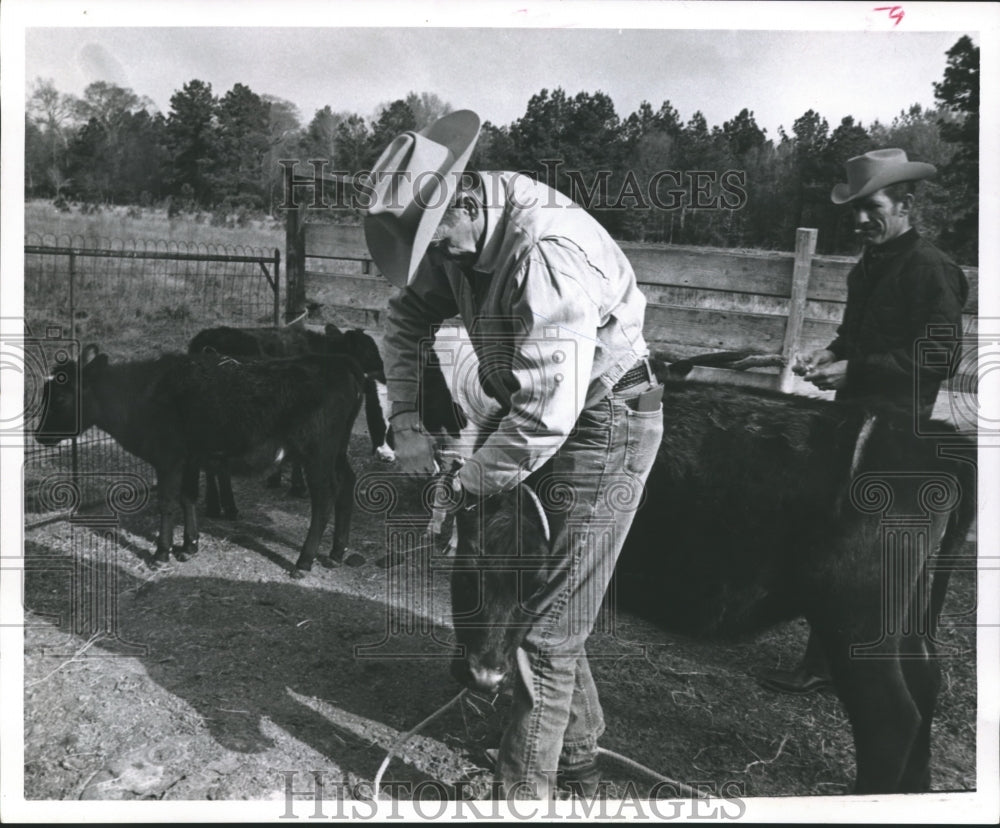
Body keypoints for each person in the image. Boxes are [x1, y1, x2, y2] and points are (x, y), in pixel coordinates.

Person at [363, 110, 664, 798]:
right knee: (548, 603)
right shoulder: (459, 238)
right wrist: (405, 417)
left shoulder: (543, 254)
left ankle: (521, 799)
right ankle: (577, 752)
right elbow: (406, 316)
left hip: (603, 420)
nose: (436, 263)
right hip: (544, 412)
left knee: (546, 635)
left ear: (464, 201)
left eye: (435, 242)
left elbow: (543, 419)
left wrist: (462, 485)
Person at [758, 148, 969, 695]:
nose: (858, 221)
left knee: (893, 557)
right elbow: (853, 337)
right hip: (853, 425)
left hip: (899, 435)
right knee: (842, 542)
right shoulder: (868, 267)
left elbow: (938, 358)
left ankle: (908, 675)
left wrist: (859, 371)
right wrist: (829, 357)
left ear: (906, 204)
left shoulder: (932, 270)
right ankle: (827, 664)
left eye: (870, 206)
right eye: (852, 210)